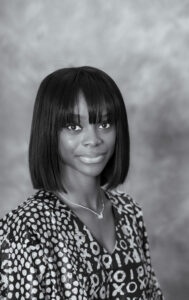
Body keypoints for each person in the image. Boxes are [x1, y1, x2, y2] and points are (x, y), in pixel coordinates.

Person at [0, 66, 164, 300]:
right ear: (49, 132)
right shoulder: (25, 230)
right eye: (74, 127)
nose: (93, 139)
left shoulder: (129, 212)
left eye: (105, 124)